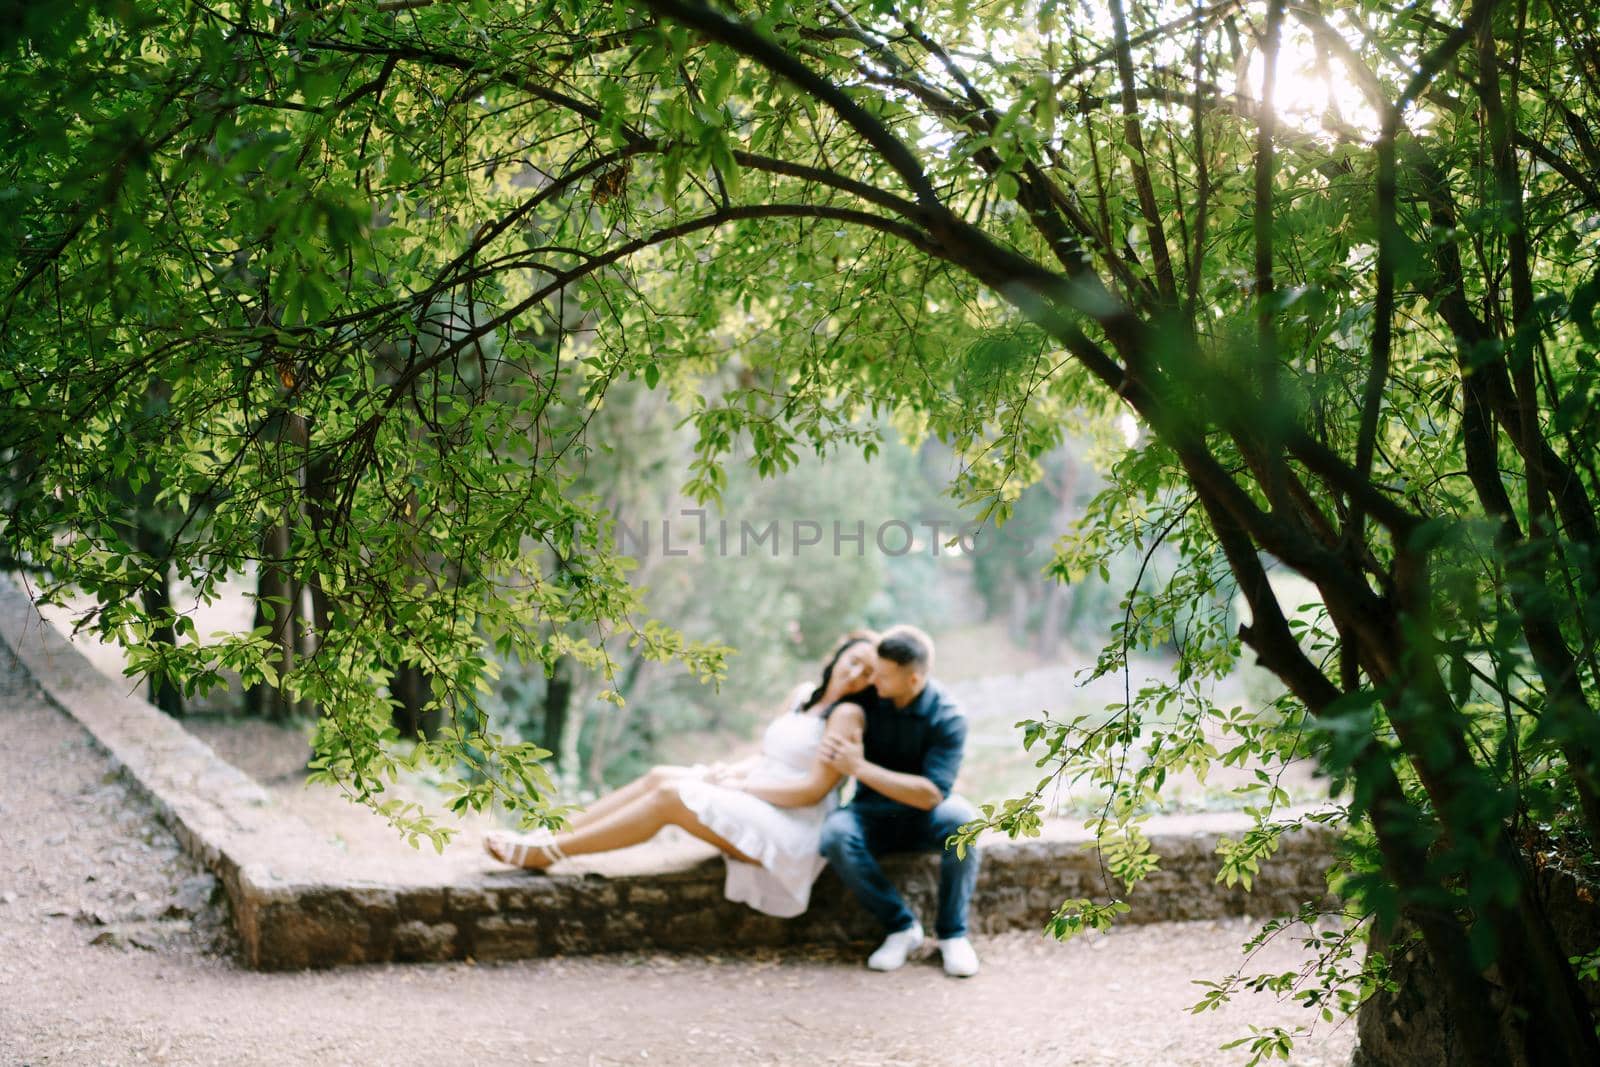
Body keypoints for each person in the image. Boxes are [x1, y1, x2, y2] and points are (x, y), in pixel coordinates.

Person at [484, 632, 877, 918]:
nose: (856, 673)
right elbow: (766, 755)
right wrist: (727, 772)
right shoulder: (803, 695)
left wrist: (743, 786)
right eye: (853, 660)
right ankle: (552, 833)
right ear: (838, 654)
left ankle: (550, 854)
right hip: (757, 791)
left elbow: (811, 790)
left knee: (671, 796)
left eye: (868, 672)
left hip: (791, 823)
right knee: (659, 775)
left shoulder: (847, 716)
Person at [817, 624, 981, 977]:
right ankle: (901, 927)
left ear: (914, 680)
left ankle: (952, 935)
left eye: (884, 676)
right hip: (869, 814)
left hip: (925, 815)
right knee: (834, 835)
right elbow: (825, 702)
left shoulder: (948, 716)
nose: (874, 680)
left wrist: (859, 767)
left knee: (964, 821)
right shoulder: (869, 696)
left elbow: (931, 794)